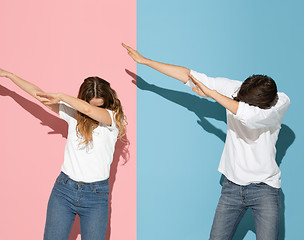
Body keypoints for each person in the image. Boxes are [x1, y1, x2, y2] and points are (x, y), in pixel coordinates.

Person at [122, 43, 290, 240]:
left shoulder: (280, 104)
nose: (239, 101)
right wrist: (145, 61)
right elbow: (189, 75)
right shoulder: (239, 90)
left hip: (265, 190)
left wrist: (212, 94)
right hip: (232, 187)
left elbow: (250, 117)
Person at [0, 64, 126, 240]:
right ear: (82, 99)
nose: (93, 112)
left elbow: (87, 110)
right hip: (64, 190)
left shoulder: (114, 118)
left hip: (96, 196)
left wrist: (61, 96)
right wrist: (11, 76)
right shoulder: (74, 113)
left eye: (100, 106)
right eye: (90, 104)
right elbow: (38, 94)